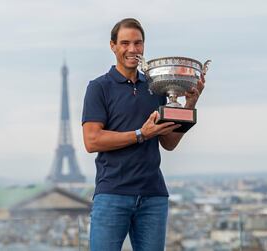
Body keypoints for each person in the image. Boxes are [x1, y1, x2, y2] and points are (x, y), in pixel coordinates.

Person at [81, 18, 206, 251]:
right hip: (112, 194)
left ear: (144, 46)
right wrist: (141, 133)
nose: (132, 49)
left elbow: (168, 143)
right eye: (125, 43)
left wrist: (188, 106)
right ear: (113, 46)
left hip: (153, 196)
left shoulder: (156, 87)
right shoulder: (99, 87)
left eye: (138, 43)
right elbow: (92, 140)